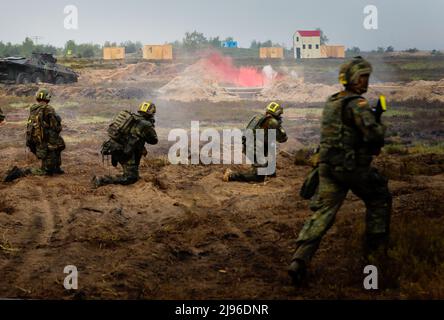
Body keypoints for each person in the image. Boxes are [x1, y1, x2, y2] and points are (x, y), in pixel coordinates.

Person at [288, 56, 392, 285]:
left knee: (322, 214)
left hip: (328, 167)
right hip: (351, 167)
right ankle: (375, 259)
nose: (364, 81)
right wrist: (378, 121)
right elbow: (374, 135)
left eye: (366, 77)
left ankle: (299, 260)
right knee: (379, 198)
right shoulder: (358, 104)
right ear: (351, 79)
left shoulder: (332, 101)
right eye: (361, 77)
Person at [3, 88, 65, 182]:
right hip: (46, 143)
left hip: (37, 143)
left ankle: (55, 167)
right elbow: (56, 127)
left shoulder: (33, 108)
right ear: (47, 98)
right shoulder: (48, 109)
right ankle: (22, 172)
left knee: (58, 144)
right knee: (46, 171)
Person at [92, 101, 158, 187]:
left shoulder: (132, 118)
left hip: (115, 147)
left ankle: (125, 170)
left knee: (133, 172)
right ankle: (101, 180)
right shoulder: (146, 124)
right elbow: (154, 141)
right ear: (151, 113)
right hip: (125, 151)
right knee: (131, 178)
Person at [223, 101, 288, 183]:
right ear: (277, 113)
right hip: (255, 150)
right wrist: (279, 126)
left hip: (249, 147)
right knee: (258, 177)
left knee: (268, 165)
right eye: (280, 114)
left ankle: (268, 172)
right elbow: (283, 139)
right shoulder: (272, 122)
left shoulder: (258, 117)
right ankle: (231, 175)